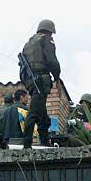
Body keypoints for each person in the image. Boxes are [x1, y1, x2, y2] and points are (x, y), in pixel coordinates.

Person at [20, 19, 61, 148]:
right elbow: (52, 61)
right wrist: (57, 78)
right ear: (49, 31)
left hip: (31, 82)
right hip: (41, 81)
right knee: (33, 113)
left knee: (43, 116)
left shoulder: (28, 44)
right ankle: (27, 144)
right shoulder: (46, 40)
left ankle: (44, 141)